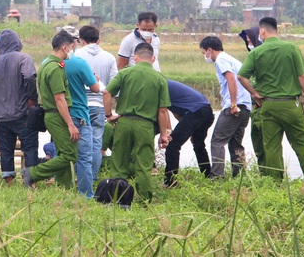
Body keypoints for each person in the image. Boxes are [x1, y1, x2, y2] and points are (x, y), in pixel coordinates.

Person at [237, 17, 304, 182]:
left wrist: (254, 93)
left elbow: (241, 77)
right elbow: (301, 76)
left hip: (269, 106)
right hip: (291, 105)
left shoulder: (256, 52)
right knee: (303, 145)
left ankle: (275, 184)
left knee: (271, 147)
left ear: (262, 31)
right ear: (277, 31)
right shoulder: (291, 48)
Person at [103, 42, 172, 202]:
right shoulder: (160, 78)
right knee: (144, 165)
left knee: (119, 163)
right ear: (153, 58)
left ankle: (116, 199)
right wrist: (163, 134)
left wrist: (108, 115)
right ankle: (143, 201)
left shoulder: (125, 73)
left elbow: (106, 92)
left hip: (123, 122)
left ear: (135, 57)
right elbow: (162, 111)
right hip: (145, 125)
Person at [0, 29, 39, 185]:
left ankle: (9, 183)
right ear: (17, 43)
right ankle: (31, 183)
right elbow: (30, 76)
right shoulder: (23, 58)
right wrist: (32, 98)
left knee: (6, 150)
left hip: (2, 118)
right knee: (30, 147)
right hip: (23, 114)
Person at [22, 31, 79, 189]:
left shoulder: (46, 64)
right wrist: (70, 124)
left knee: (62, 153)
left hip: (52, 115)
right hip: (57, 116)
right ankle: (33, 173)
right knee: (70, 155)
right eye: (72, 47)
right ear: (64, 47)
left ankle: (64, 188)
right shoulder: (55, 68)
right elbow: (59, 99)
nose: (73, 51)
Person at [199, 36, 252, 179]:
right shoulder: (232, 59)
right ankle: (240, 176)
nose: (205, 56)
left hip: (234, 106)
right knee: (235, 143)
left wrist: (233, 104)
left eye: (204, 53)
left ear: (210, 49)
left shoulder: (221, 60)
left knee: (217, 141)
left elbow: (231, 79)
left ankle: (217, 176)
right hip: (246, 107)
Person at [59, 26, 100, 198]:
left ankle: (62, 190)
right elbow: (96, 88)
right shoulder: (79, 63)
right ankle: (85, 194)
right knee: (84, 158)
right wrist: (95, 78)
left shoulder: (50, 63)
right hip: (80, 115)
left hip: (60, 115)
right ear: (72, 43)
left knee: (61, 154)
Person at [75, 25, 118, 180]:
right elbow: (114, 86)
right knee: (96, 144)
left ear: (80, 40)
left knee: (80, 143)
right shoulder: (109, 57)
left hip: (79, 106)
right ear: (98, 40)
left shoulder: (76, 55)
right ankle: (92, 178)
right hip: (100, 105)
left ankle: (80, 178)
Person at [164, 80, 215, 187]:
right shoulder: (168, 85)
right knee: (198, 144)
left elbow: (161, 112)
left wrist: (165, 132)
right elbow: (177, 111)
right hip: (206, 110)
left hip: (196, 111)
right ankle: (208, 176)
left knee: (172, 145)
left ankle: (170, 182)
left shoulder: (158, 86)